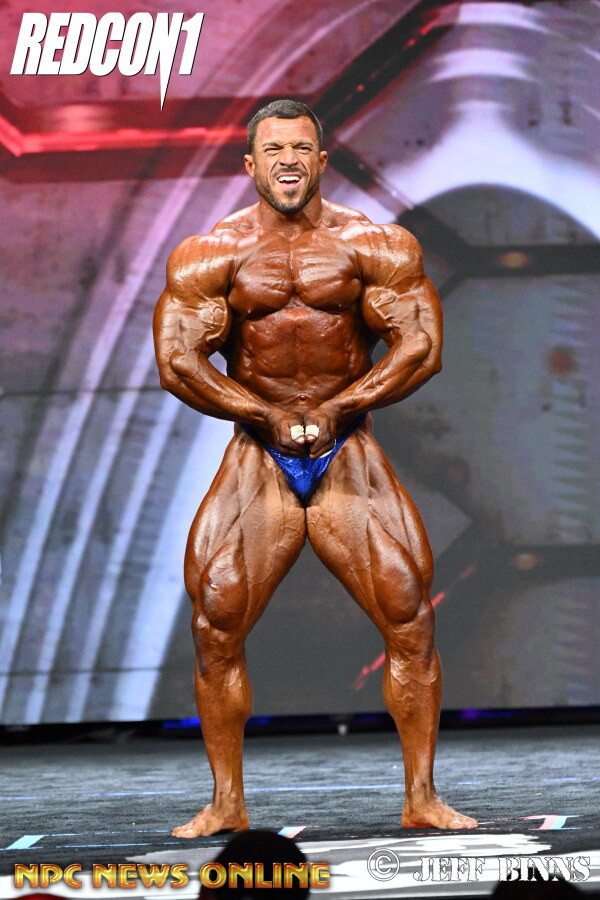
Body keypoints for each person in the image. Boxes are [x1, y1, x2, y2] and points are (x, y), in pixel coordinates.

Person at [153, 98, 477, 836]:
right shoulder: (211, 254)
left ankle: (422, 798)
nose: (289, 160)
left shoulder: (375, 246)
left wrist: (342, 405)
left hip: (347, 447)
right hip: (259, 452)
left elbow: (421, 346)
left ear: (322, 161)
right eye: (274, 150)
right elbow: (177, 361)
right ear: (251, 164)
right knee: (216, 621)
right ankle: (226, 802)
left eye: (301, 148)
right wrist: (263, 414)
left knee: (409, 613)